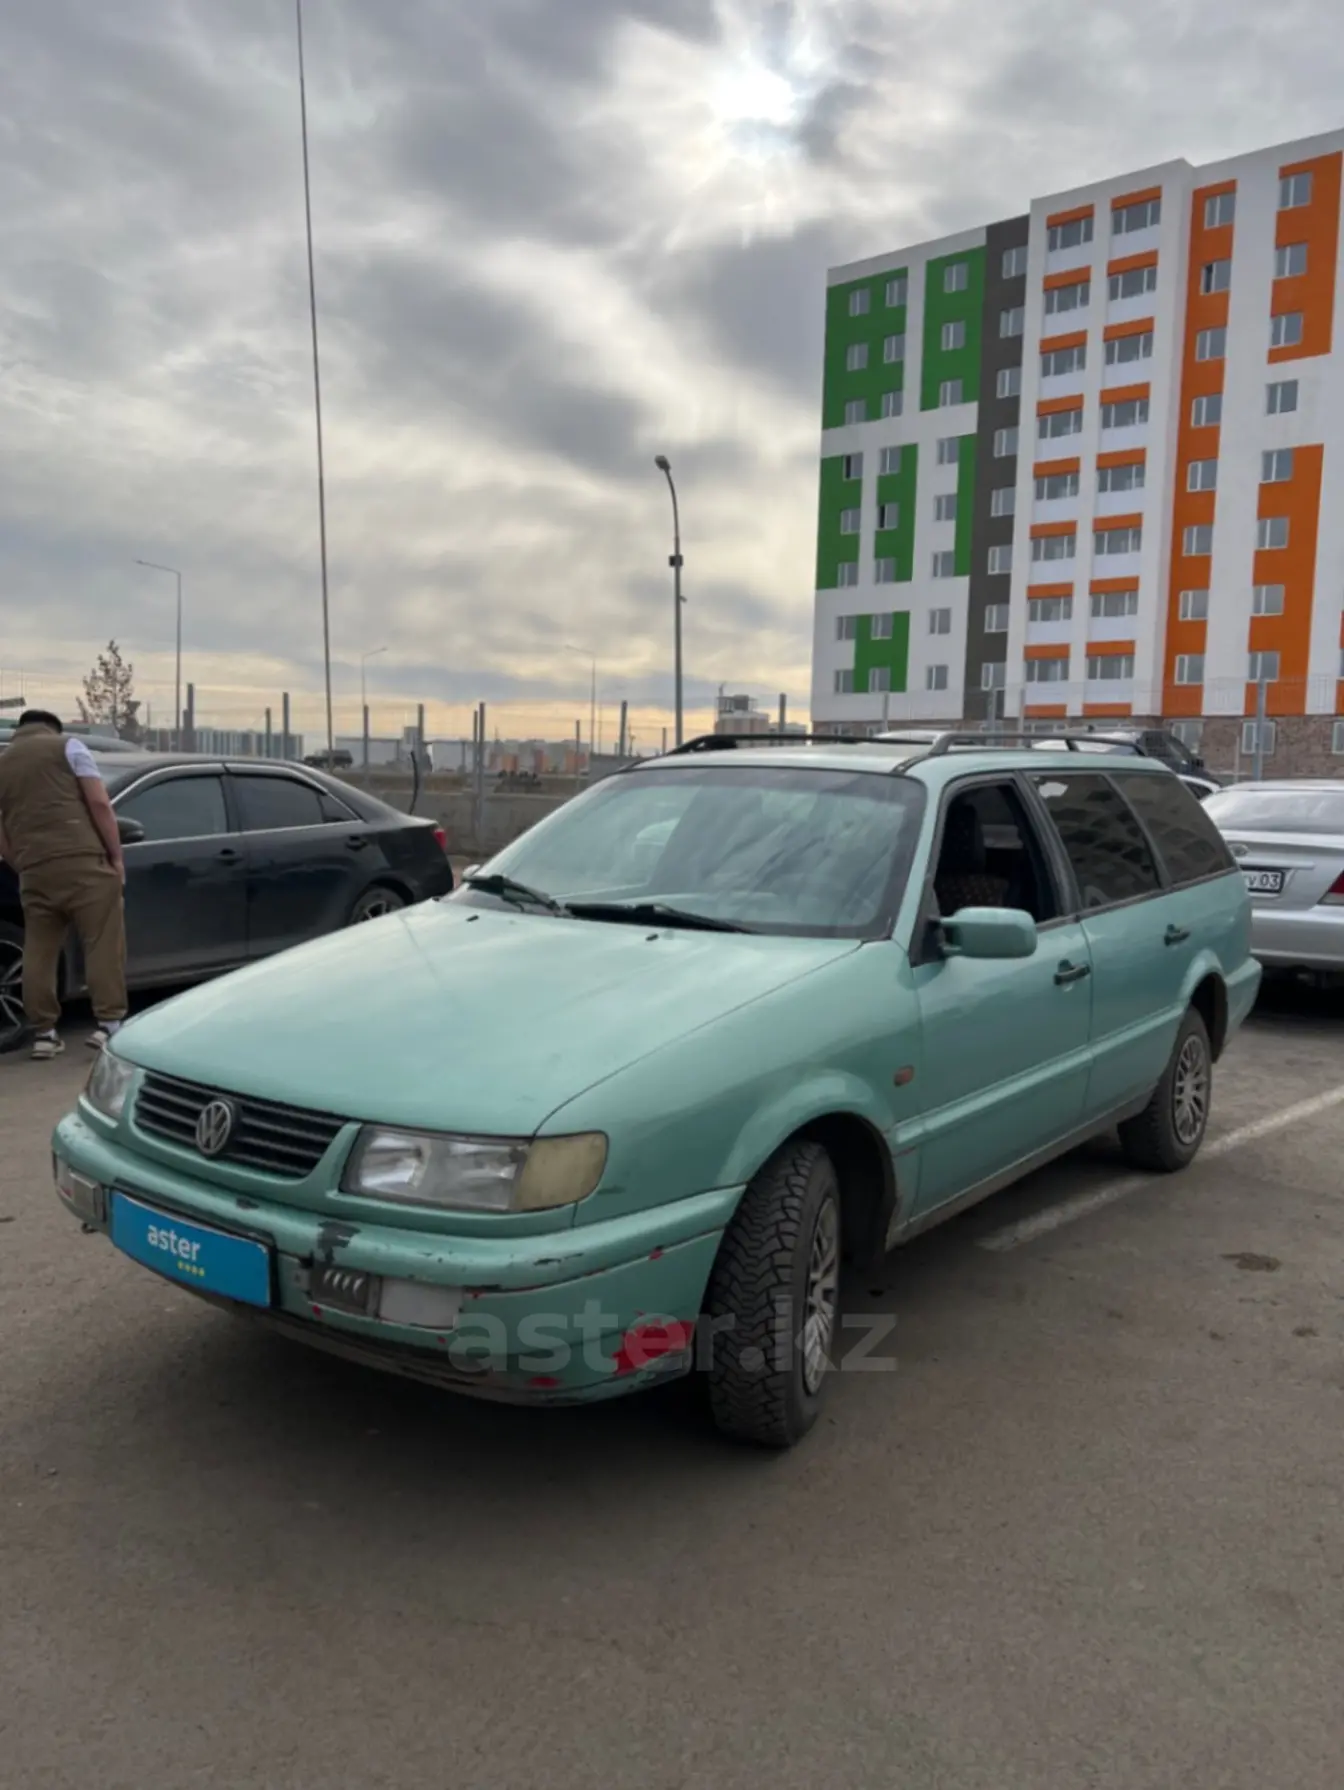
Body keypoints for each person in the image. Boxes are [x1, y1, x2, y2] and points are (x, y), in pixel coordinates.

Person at [0, 710, 127, 1059]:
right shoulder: (68, 747)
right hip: (84, 862)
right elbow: (99, 803)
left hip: (34, 870)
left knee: (39, 950)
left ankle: (44, 1033)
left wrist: (22, 864)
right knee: (102, 943)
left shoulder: (3, 763)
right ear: (52, 728)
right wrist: (115, 857)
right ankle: (108, 1024)